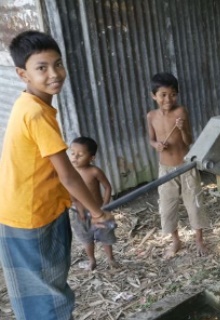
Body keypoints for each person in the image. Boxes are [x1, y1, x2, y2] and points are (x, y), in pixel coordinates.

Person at [0, 30, 114, 320]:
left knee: (35, 290)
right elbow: (68, 175)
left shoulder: (30, 105)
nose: (55, 73)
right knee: (48, 293)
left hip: (24, 211)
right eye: (42, 68)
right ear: (22, 74)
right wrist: (96, 212)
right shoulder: (37, 114)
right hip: (32, 215)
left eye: (58, 63)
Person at [147, 72, 209, 258]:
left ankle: (199, 241)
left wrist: (182, 129)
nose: (168, 99)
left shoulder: (181, 112)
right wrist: (156, 145)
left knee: (194, 205)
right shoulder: (151, 116)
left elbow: (188, 141)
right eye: (163, 95)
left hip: (185, 167)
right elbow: (150, 139)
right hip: (165, 169)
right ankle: (176, 240)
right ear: (154, 96)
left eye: (173, 94)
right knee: (167, 207)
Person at [69, 136, 119, 270]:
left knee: (106, 236)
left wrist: (105, 206)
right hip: (79, 214)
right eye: (73, 153)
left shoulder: (94, 171)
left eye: (80, 155)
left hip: (99, 211)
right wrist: (75, 205)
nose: (75, 157)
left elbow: (107, 187)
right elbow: (68, 192)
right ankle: (92, 260)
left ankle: (110, 259)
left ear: (92, 157)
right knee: (86, 238)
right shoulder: (69, 173)